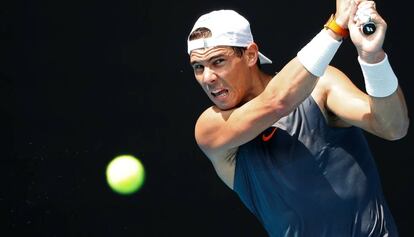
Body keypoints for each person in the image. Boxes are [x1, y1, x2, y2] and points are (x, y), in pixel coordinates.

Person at [186, 0, 409, 236]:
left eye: (218, 61)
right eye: (198, 67)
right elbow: (277, 103)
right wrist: (336, 28)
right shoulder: (211, 127)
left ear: (251, 55)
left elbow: (394, 127)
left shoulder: (321, 86)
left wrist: (372, 58)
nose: (207, 78)